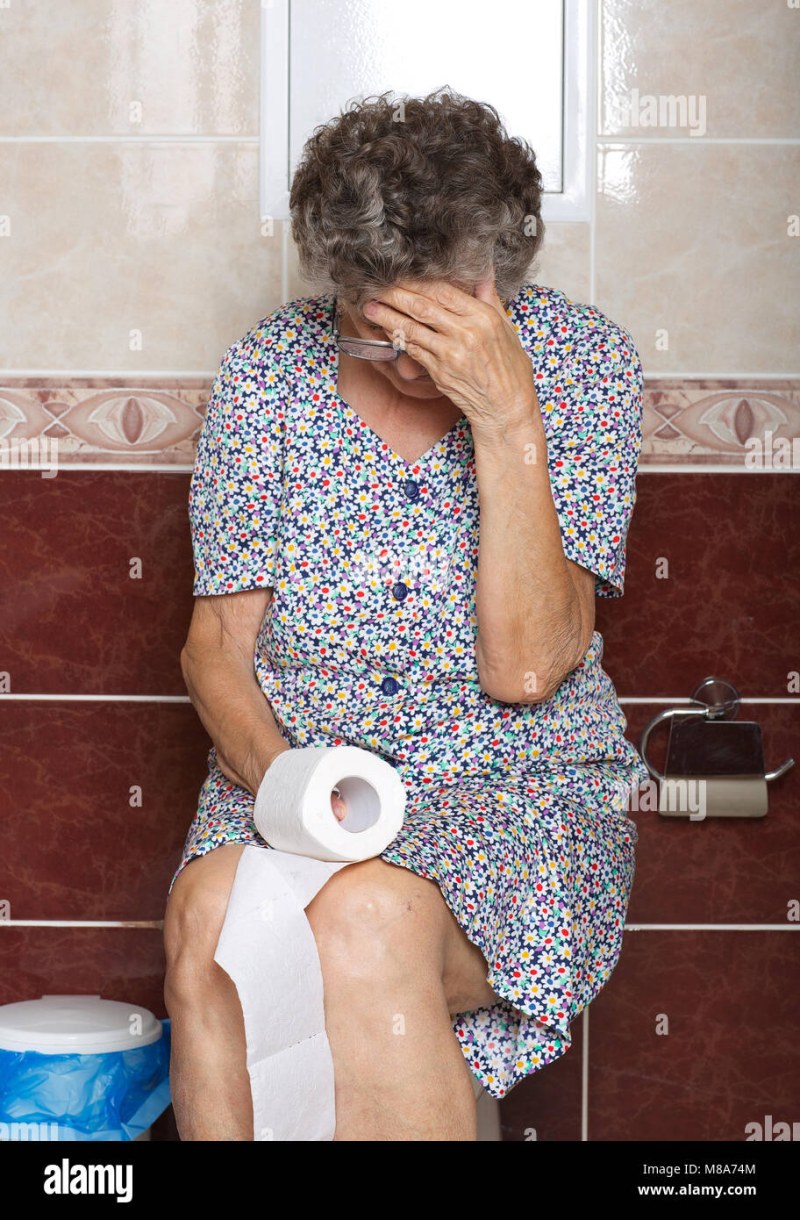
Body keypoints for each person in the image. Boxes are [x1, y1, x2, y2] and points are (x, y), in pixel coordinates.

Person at [163, 87, 649, 1141]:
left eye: (440, 325)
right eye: (377, 335)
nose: (411, 363)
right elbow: (215, 649)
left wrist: (504, 408)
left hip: (512, 788)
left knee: (365, 917)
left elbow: (526, 665)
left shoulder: (580, 364)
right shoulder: (269, 372)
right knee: (208, 922)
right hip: (295, 782)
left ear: (496, 278)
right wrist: (297, 787)